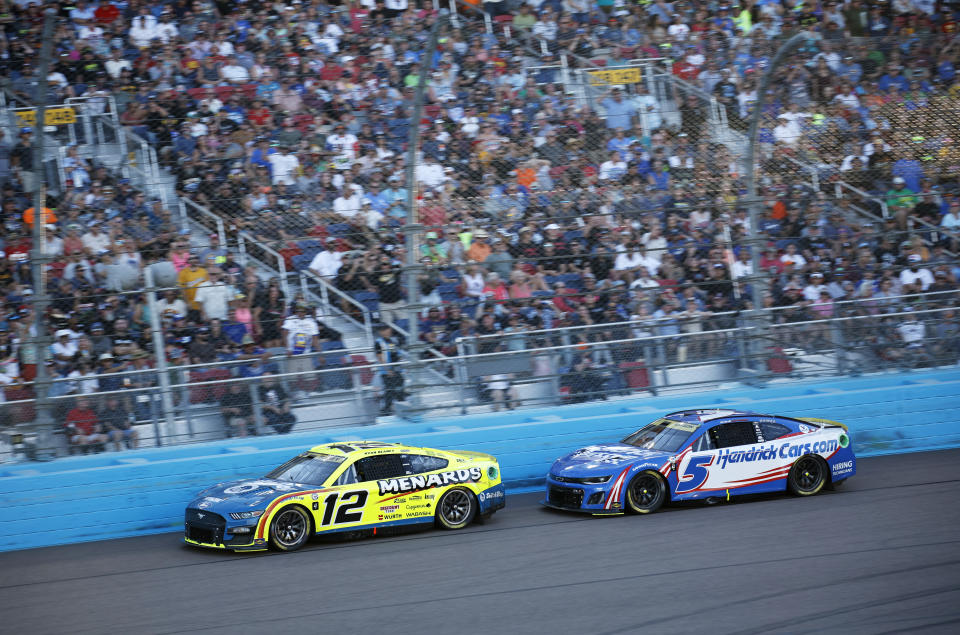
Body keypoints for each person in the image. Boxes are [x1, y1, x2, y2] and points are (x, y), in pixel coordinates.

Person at [374, 323, 405, 416]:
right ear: (381, 332)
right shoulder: (379, 342)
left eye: (388, 329)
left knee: (400, 390)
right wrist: (387, 370)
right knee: (389, 390)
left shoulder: (391, 342)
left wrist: (400, 366)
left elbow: (395, 355)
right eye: (385, 330)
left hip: (396, 370)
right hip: (386, 371)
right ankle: (386, 410)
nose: (388, 331)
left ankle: (402, 408)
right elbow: (380, 358)